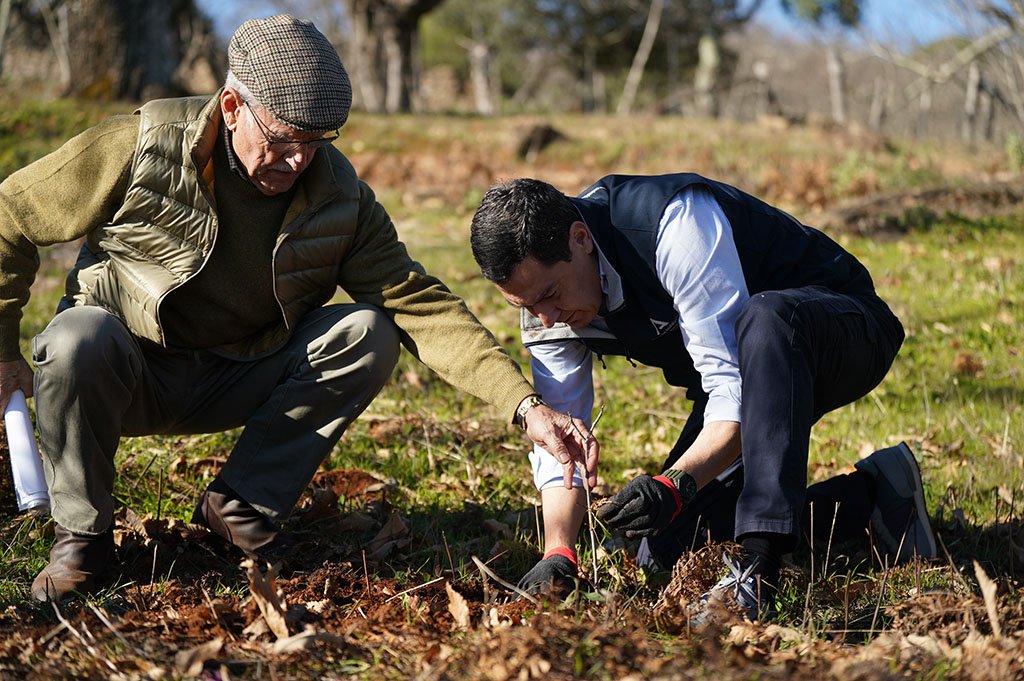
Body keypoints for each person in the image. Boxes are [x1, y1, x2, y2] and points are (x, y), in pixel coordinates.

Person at [0, 15, 594, 603]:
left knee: (367, 330)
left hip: (238, 372)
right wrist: (2, 351)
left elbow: (419, 304)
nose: (298, 162)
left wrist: (525, 405)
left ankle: (239, 505)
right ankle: (82, 539)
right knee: (75, 338)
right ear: (232, 107)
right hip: (123, 370)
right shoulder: (143, 143)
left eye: (316, 143)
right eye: (283, 141)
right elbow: (11, 215)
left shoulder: (341, 200)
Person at [469, 174, 936, 619]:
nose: (546, 318)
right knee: (666, 550)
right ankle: (877, 494)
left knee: (767, 317)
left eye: (550, 295)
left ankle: (758, 568)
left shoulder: (675, 225)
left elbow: (733, 389)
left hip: (840, 331)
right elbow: (560, 441)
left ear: (580, 238)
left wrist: (676, 483)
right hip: (747, 379)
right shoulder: (545, 304)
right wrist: (560, 550)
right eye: (527, 306)